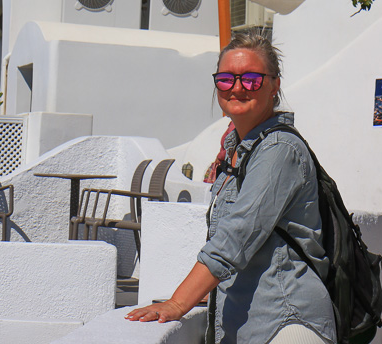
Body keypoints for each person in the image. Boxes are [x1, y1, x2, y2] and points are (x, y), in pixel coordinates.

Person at [125, 32, 337, 344]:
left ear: (274, 85)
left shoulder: (279, 149)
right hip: (250, 324)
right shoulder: (239, 150)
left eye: (251, 79)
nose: (237, 88)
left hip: (286, 322)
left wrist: (178, 302)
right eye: (226, 79)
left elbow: (237, 235)